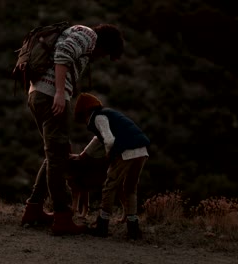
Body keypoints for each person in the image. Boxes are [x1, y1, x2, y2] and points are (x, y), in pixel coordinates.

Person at [21, 24, 124, 236]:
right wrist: (59, 92)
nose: (100, 57)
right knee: (58, 159)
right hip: (51, 95)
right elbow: (63, 53)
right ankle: (62, 218)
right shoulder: (88, 35)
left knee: (54, 155)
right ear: (103, 44)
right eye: (105, 53)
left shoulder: (78, 35)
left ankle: (33, 209)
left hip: (38, 94)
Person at [73, 93, 150, 240]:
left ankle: (102, 225)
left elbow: (108, 140)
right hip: (142, 151)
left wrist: (109, 155)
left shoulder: (98, 118)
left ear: (86, 111)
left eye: (82, 116)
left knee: (109, 185)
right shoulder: (107, 114)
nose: (84, 121)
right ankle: (133, 229)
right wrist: (84, 154)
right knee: (130, 188)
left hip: (126, 150)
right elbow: (99, 138)